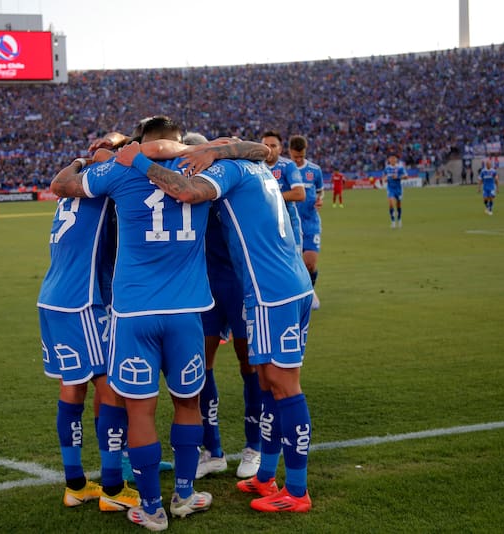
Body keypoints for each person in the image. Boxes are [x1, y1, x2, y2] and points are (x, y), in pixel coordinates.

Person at [117, 137, 315, 514]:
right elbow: (264, 150)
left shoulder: (230, 168)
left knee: (285, 386)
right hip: (279, 286)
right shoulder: (256, 163)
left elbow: (188, 192)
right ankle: (266, 476)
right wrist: (226, 148)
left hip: (273, 290)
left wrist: (138, 161)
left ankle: (298, 490)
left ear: (223, 147)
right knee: (268, 383)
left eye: (212, 146)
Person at [51, 116, 213, 531]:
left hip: (133, 312)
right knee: (188, 404)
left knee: (140, 412)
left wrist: (102, 154)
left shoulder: (119, 170)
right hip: (186, 310)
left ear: (141, 141)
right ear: (181, 141)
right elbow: (250, 150)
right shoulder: (204, 169)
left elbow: (63, 187)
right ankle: (185, 494)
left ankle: (151, 507)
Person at [37, 149, 140, 513]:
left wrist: (83, 161)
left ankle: (76, 484)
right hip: (83, 300)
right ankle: (113, 487)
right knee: (110, 385)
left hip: (52, 298)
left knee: (72, 388)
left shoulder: (70, 194)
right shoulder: (103, 193)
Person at [177, 133, 263, 481]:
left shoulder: (229, 172)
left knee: (250, 363)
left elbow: (261, 153)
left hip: (239, 283)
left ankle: (254, 447)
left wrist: (220, 152)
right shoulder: (185, 180)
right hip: (205, 285)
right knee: (202, 365)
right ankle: (212, 450)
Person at [289, 135, 324, 311]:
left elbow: (320, 192)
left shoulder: (314, 170)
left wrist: (320, 200)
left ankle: (310, 292)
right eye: (295, 156)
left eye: (301, 156)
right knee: (294, 264)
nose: (298, 159)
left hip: (310, 223)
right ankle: (303, 295)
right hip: (289, 224)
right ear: (290, 152)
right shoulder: (285, 169)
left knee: (309, 263)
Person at [261, 130, 305, 253]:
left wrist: (270, 197)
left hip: (289, 227)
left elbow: (299, 194)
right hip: (265, 229)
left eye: (273, 146)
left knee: (294, 268)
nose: (269, 149)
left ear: (280, 149)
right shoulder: (255, 167)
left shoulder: (288, 166)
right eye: (265, 146)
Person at [382, 153, 407, 228]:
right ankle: (393, 221)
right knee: (391, 204)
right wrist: (385, 179)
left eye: (394, 158)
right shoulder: (386, 168)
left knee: (398, 204)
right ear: (389, 160)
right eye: (391, 158)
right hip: (390, 188)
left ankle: (399, 219)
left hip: (398, 188)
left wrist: (398, 177)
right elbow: (383, 178)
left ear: (396, 159)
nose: (392, 160)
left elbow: (406, 176)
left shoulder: (400, 168)